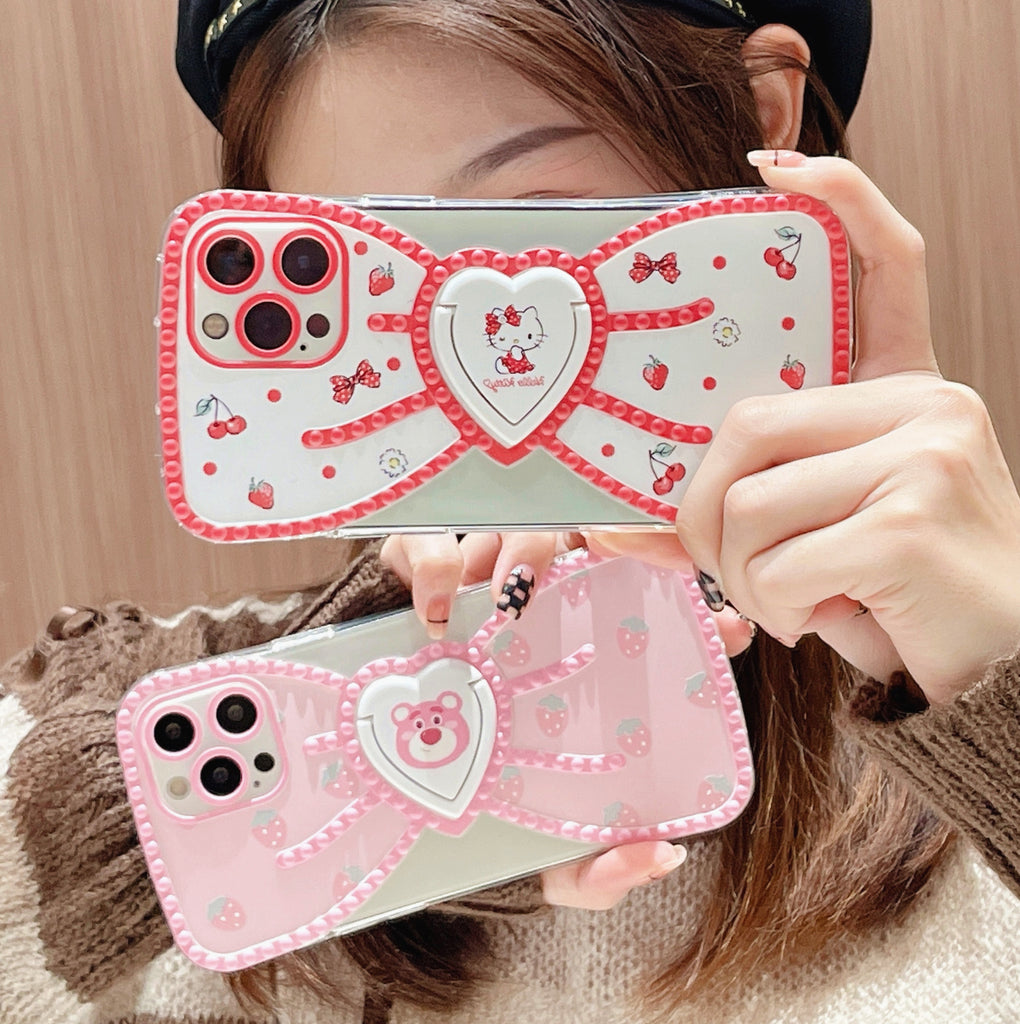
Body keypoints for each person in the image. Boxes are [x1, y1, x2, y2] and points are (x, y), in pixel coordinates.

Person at [3, 1, 1020, 1022]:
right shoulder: (168, 713)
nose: (462, 341)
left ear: (762, 120)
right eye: (377, 274)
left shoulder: (979, 669)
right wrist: (340, 769)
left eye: (535, 218)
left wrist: (1001, 703)